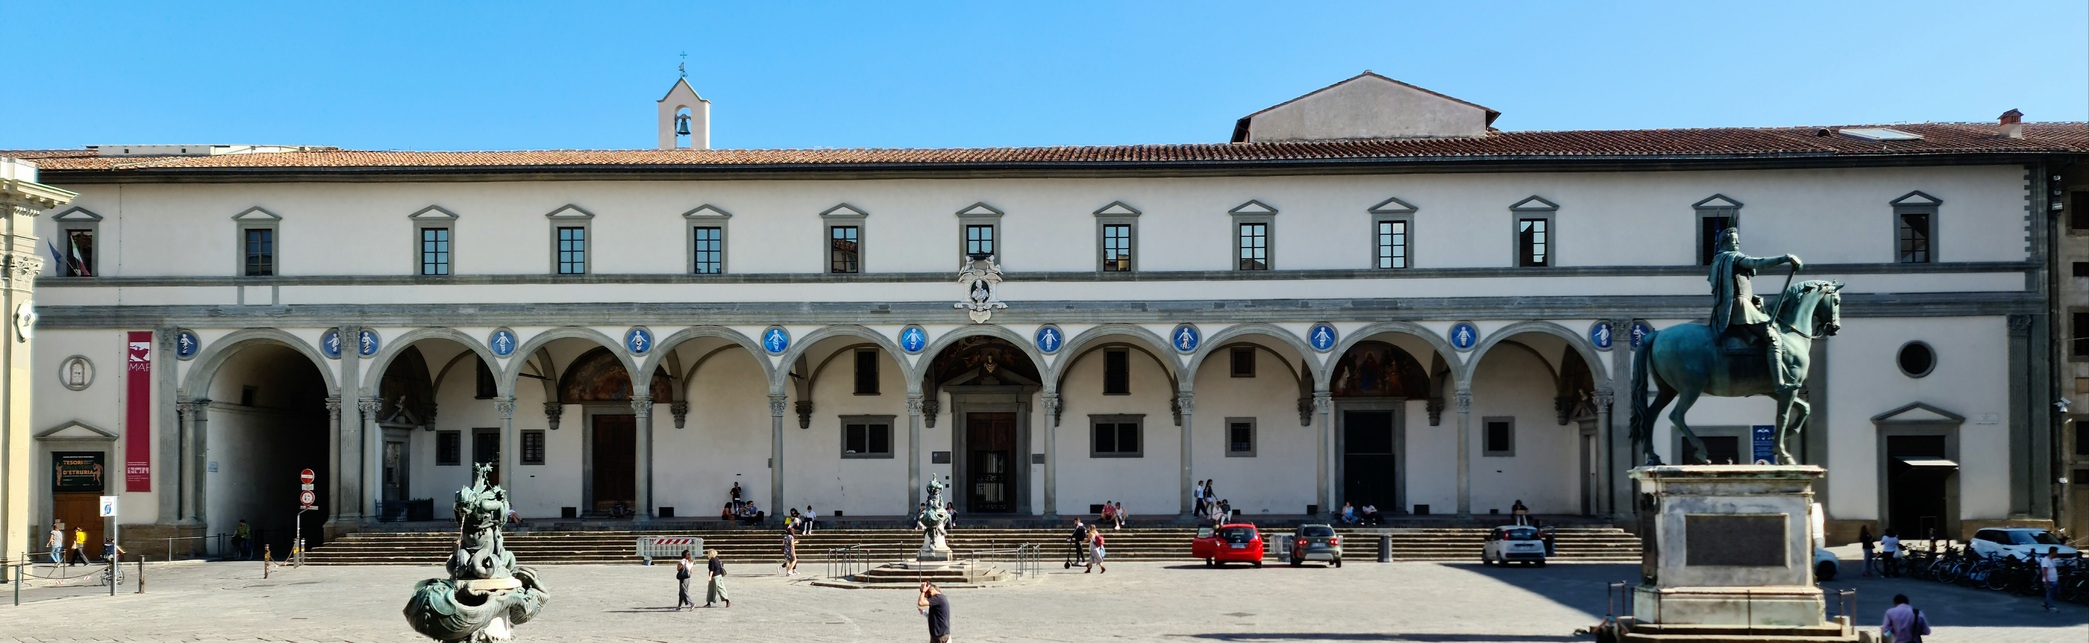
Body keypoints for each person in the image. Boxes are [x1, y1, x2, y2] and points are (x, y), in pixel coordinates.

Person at [1707, 227, 1804, 393]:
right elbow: (1756, 263)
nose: (1737, 243)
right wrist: (1785, 258)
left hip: (1737, 305)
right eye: (1733, 240)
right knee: (1773, 338)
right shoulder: (1732, 257)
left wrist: (1753, 299)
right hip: (1740, 309)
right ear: (1724, 242)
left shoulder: (1720, 260)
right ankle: (1779, 383)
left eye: (1738, 240)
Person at [2040, 547, 2062, 612]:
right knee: (2050, 594)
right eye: (2056, 552)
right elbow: (2044, 570)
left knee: (2052, 593)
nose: (2057, 554)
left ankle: (2045, 603)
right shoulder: (2045, 560)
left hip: (2054, 580)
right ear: (2053, 552)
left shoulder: (2052, 560)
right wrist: (2046, 580)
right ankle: (2051, 606)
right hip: (2049, 580)